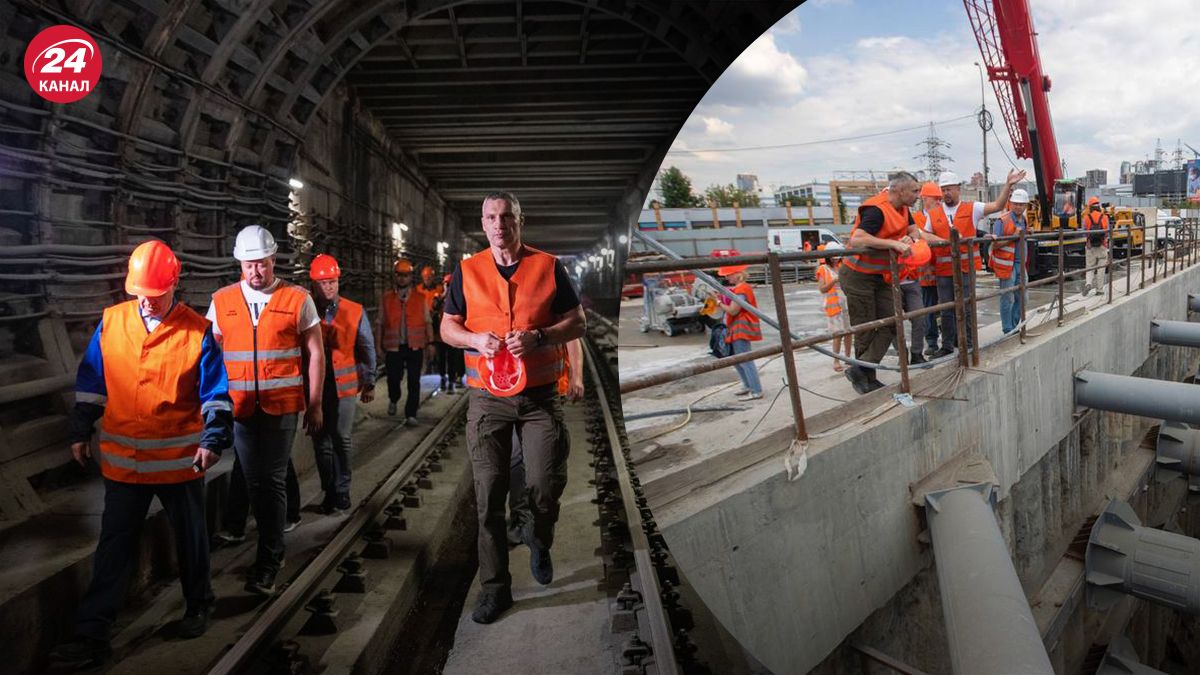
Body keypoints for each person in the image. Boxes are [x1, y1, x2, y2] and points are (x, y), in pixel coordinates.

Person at [50, 241, 233, 668]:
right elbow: (93, 381)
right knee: (114, 546)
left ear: (174, 284)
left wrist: (212, 440)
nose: (146, 300)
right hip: (123, 464)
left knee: (190, 539)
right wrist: (80, 428)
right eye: (140, 292)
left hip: (178, 462)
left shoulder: (196, 330)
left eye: (155, 292)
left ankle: (198, 604)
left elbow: (216, 395)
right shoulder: (112, 322)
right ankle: (93, 633)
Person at [440, 191, 585, 624]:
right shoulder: (466, 272)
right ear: (483, 224)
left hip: (538, 396)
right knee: (488, 497)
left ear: (521, 221)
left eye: (507, 216)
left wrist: (541, 337)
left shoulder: (549, 267)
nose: (499, 224)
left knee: (542, 483)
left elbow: (577, 322)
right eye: (491, 217)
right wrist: (473, 339)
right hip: (488, 400)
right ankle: (494, 589)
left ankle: (539, 538)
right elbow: (448, 327)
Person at [207, 225, 324, 596]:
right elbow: (212, 358)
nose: (256, 272)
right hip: (239, 408)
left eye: (263, 264)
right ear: (239, 264)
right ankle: (263, 541)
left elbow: (316, 354)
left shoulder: (297, 298)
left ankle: (270, 559)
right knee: (253, 477)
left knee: (269, 480)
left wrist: (315, 403)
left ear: (274, 261)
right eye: (249, 265)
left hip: (282, 407)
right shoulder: (222, 301)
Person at [839, 172, 938, 394]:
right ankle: (866, 377)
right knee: (865, 328)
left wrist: (909, 238)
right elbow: (858, 238)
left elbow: (913, 230)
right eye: (914, 191)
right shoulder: (876, 210)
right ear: (899, 190)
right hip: (858, 275)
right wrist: (892, 244)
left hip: (880, 276)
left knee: (892, 322)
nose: (917, 195)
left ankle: (860, 369)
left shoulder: (903, 209)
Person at [926, 169, 1026, 357]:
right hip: (944, 270)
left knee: (967, 306)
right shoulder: (934, 214)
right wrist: (940, 239)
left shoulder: (971, 208)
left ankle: (970, 343)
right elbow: (923, 233)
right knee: (946, 308)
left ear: (958, 189)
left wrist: (1007, 185)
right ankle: (947, 346)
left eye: (950, 189)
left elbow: (997, 205)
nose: (946, 193)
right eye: (943, 190)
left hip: (965, 268)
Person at [309, 254, 376, 513]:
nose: (328, 287)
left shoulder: (354, 310)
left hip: (345, 386)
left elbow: (366, 347)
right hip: (317, 388)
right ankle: (329, 491)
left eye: (333, 282)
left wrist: (369, 381)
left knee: (341, 439)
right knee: (320, 442)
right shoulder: (306, 309)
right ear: (313, 284)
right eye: (323, 282)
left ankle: (343, 490)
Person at [507, 338, 584, 547]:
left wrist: (577, 376)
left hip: (549, 389)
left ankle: (540, 522)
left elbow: (571, 335)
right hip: (512, 389)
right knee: (516, 458)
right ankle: (521, 519)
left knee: (547, 462)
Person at [378, 259, 432, 424]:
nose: (402, 279)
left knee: (414, 381)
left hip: (415, 347)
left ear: (410, 277)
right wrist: (378, 347)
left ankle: (411, 414)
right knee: (393, 379)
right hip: (393, 348)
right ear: (395, 276)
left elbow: (427, 321)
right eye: (399, 275)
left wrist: (430, 344)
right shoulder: (386, 298)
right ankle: (394, 399)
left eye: (405, 275)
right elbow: (379, 324)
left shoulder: (419, 298)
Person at [718, 262, 764, 400]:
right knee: (737, 359)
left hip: (741, 327)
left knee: (745, 359)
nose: (727, 278)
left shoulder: (742, 289)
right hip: (737, 327)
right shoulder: (740, 288)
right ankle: (748, 385)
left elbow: (733, 310)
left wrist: (719, 303)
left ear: (737, 275)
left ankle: (756, 390)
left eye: (728, 275)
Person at [988, 189, 1031, 333]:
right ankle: (1007, 329)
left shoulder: (1024, 220)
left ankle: (1013, 325)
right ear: (1011, 203)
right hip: (1007, 265)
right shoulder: (1002, 220)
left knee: (1023, 297)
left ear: (1025, 206)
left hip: (1020, 264)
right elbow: (995, 244)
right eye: (1016, 204)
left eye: (1021, 204)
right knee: (1007, 298)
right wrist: (1013, 236)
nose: (1018, 207)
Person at [915, 183, 943, 357]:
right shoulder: (916, 219)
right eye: (937, 199)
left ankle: (950, 337)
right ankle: (932, 342)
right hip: (925, 273)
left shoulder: (942, 217)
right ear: (925, 199)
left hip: (944, 270)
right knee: (929, 308)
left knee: (947, 307)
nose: (939, 202)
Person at [815, 243, 850, 372]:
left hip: (846, 303)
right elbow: (822, 289)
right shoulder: (823, 269)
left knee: (848, 331)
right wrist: (834, 281)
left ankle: (848, 358)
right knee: (837, 334)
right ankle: (836, 360)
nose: (835, 259)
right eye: (833, 256)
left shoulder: (843, 266)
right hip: (833, 305)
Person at [420, 265, 449, 393]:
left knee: (438, 353)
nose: (428, 279)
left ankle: (440, 377)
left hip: (436, 325)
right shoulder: (417, 290)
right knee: (424, 354)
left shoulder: (439, 289)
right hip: (423, 326)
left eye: (430, 277)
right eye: (426, 277)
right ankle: (426, 375)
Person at [442, 272, 466, 390]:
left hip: (459, 333)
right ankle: (450, 378)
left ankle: (458, 377)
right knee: (449, 358)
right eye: (446, 284)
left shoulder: (460, 296)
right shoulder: (439, 297)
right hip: (443, 334)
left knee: (458, 356)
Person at [1082, 196, 1110, 295]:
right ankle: (1099, 290)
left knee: (1089, 266)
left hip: (1090, 246)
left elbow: (1084, 232)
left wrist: (1089, 240)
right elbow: (1107, 233)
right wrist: (1104, 241)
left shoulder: (1086, 218)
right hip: (1102, 245)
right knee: (1101, 269)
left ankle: (1088, 283)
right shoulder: (1105, 217)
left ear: (1090, 207)